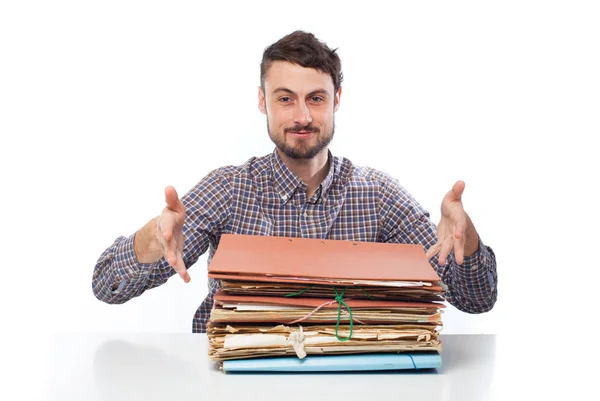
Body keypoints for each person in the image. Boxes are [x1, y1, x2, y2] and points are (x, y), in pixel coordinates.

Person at [92, 30, 498, 333]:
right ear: (261, 101)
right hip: (230, 383)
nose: (302, 116)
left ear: (337, 100)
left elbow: (476, 299)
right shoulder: (227, 190)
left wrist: (468, 239)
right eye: (285, 98)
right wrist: (151, 238)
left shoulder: (378, 196)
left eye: (316, 98)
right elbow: (107, 286)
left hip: (349, 382)